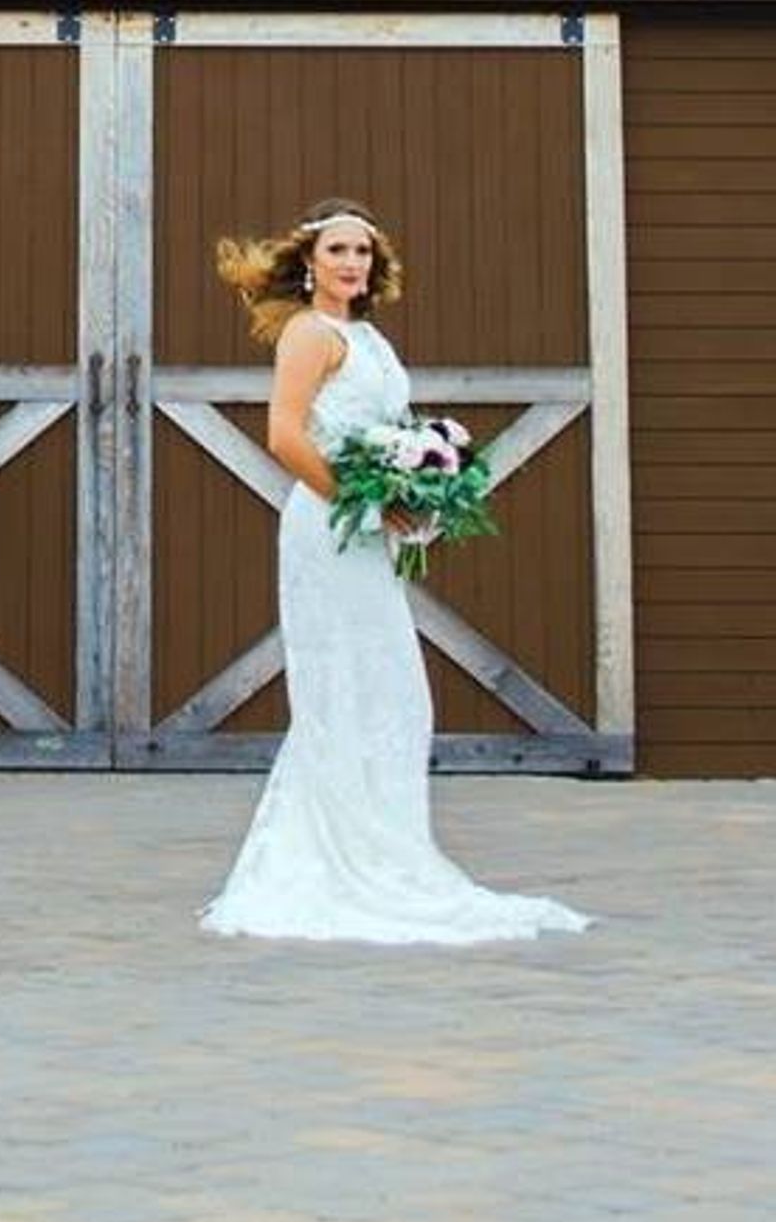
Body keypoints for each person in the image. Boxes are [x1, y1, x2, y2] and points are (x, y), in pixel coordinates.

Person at [199, 200, 587, 945]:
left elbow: (383, 432)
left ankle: (386, 844)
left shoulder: (367, 334)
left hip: (369, 533)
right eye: (339, 250)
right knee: (348, 688)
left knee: (390, 692)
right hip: (328, 527)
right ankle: (335, 859)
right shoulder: (308, 334)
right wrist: (360, 503)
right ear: (308, 260)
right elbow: (283, 433)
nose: (353, 264)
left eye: (364, 253)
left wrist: (417, 480)